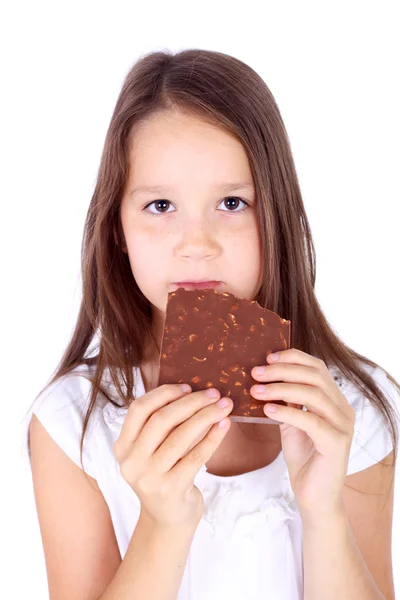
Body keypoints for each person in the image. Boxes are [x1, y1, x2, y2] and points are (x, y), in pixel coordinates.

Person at [22, 48, 399, 600]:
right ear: (116, 229)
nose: (197, 244)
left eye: (231, 202)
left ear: (277, 215)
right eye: (160, 207)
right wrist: (163, 523)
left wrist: (324, 513)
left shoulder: (355, 409)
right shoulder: (72, 425)